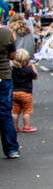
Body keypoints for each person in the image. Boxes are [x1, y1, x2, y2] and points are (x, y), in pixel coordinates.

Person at [0, 20, 16, 159]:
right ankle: (11, 149)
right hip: (3, 75)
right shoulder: (6, 33)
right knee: (5, 113)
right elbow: (12, 55)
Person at [11, 48, 36, 134]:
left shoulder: (12, 70)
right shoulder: (28, 69)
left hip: (14, 92)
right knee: (26, 111)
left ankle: (14, 127)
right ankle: (26, 126)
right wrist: (33, 67)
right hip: (26, 93)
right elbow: (35, 76)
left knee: (15, 111)